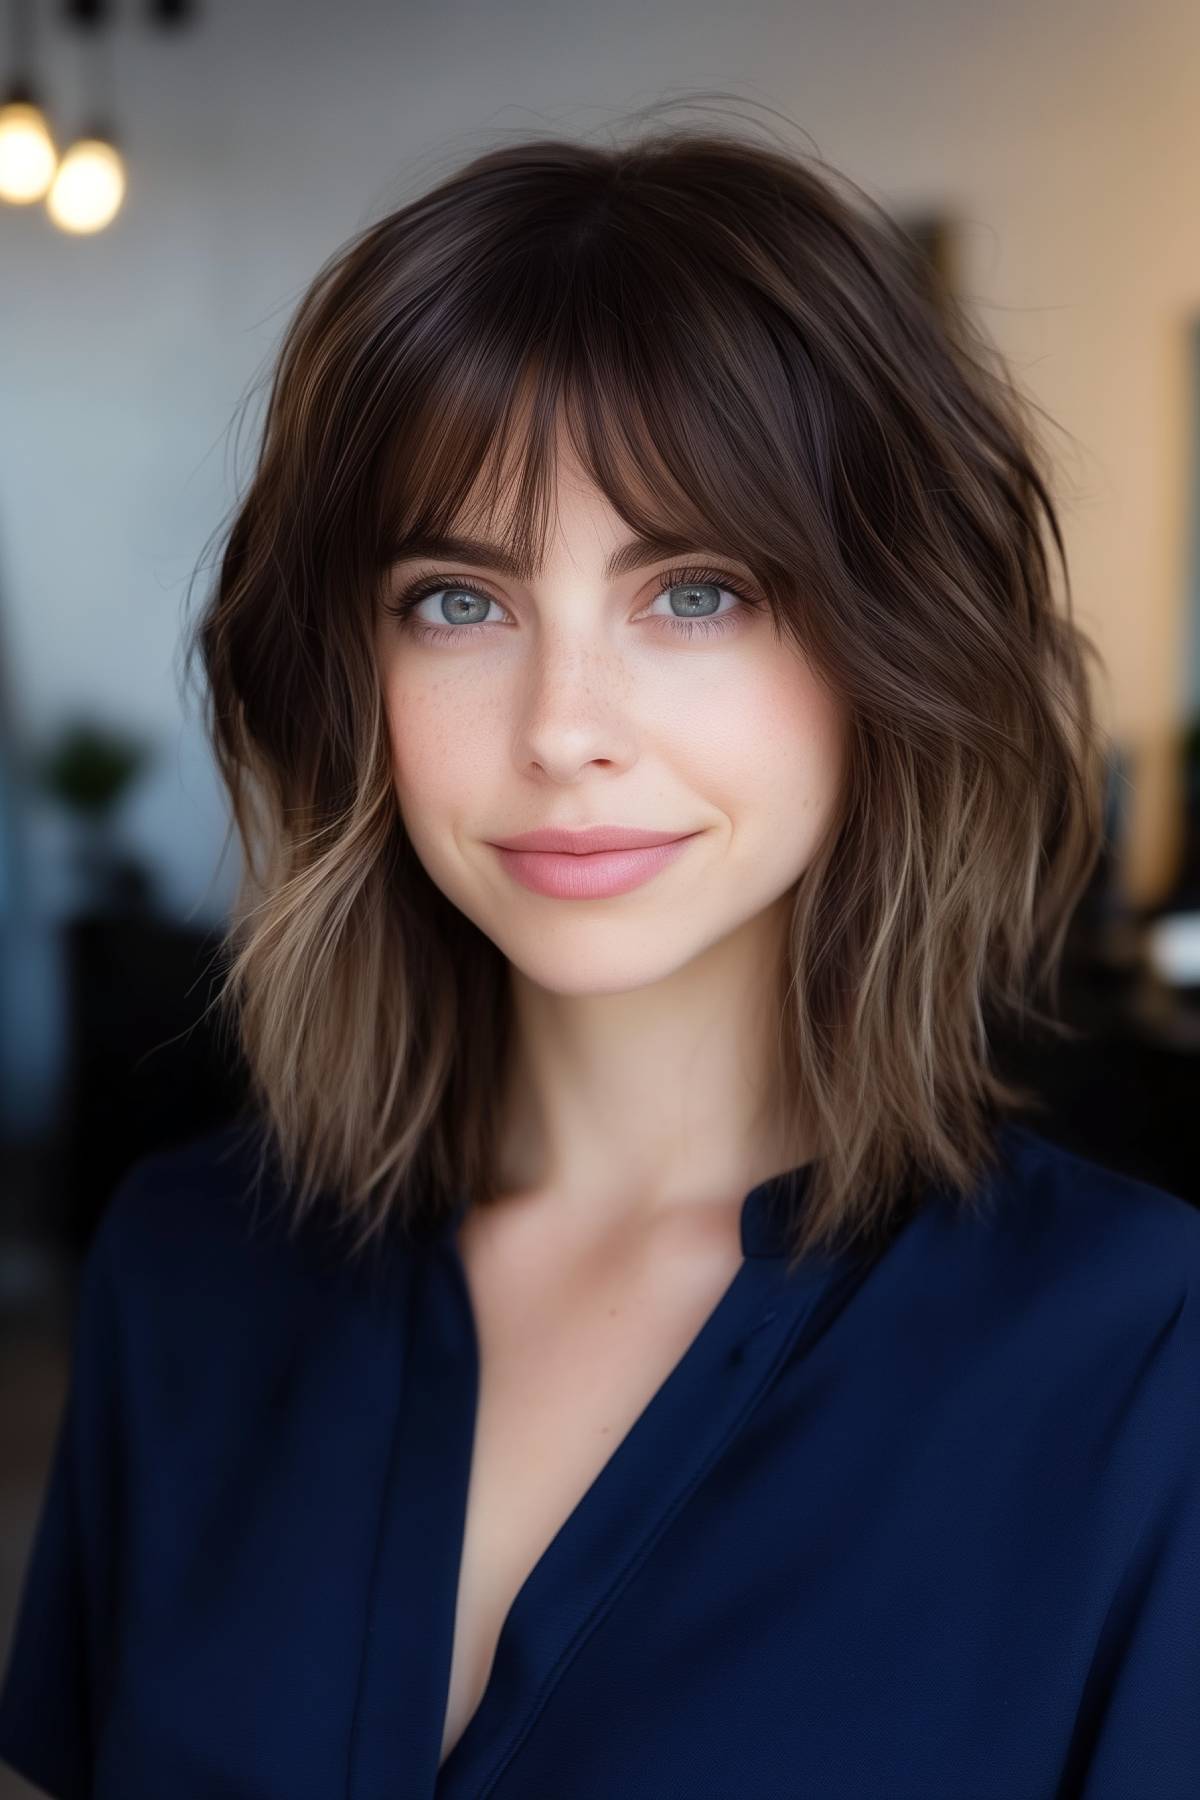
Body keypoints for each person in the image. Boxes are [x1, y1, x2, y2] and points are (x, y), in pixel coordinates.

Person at [2, 110, 1198, 1800]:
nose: (565, 730)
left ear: (888, 641)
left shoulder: (1141, 1357)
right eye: (459, 601)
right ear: (359, 675)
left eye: (696, 590)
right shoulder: (184, 1269)